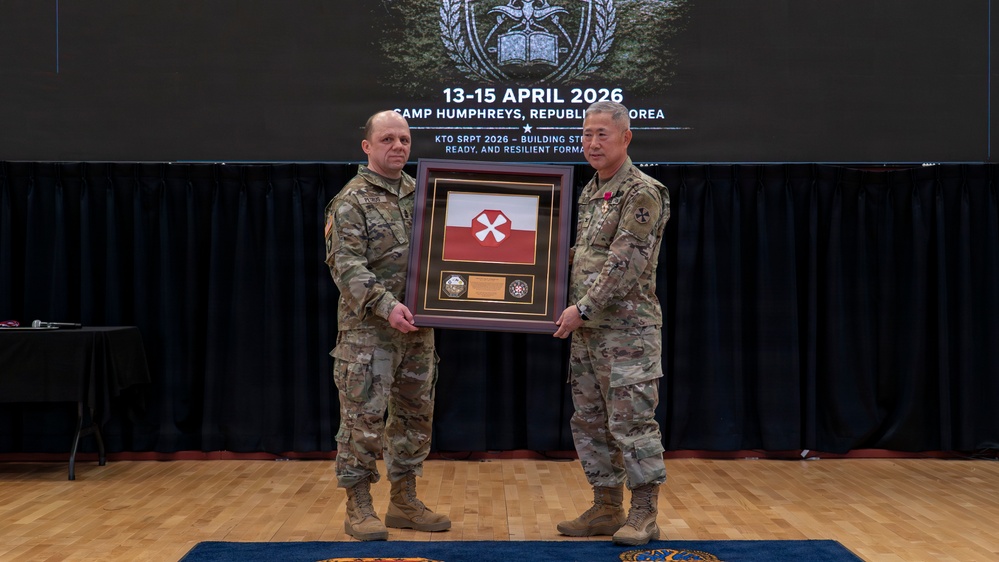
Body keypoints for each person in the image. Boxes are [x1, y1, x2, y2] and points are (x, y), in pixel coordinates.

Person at [324, 110, 450, 541]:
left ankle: (404, 500)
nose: (398, 146)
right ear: (368, 147)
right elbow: (345, 265)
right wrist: (385, 304)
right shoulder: (351, 200)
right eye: (388, 139)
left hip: (418, 330)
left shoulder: (425, 194)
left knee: (415, 417)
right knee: (363, 421)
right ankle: (359, 505)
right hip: (369, 334)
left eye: (404, 139)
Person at [553, 101, 670, 546]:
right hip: (588, 334)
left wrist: (580, 309)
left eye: (602, 133)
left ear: (626, 138)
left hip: (628, 334)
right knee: (590, 422)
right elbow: (585, 258)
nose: (592, 142)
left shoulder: (642, 192)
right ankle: (606, 507)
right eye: (586, 134)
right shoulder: (592, 191)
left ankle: (644, 514)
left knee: (632, 423)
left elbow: (623, 267)